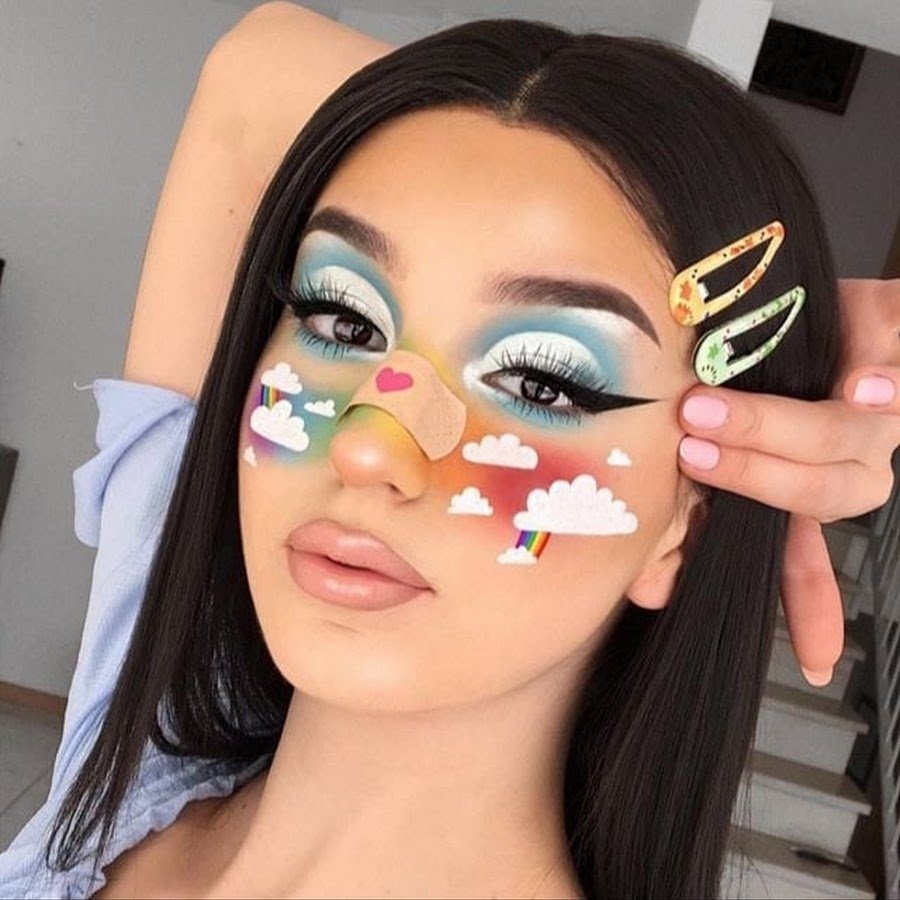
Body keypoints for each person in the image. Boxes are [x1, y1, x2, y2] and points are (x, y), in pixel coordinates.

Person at [0, 7, 896, 900]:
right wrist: (779, 299)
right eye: (342, 319)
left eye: (540, 382)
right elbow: (254, 73)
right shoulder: (133, 755)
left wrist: (781, 309)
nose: (368, 444)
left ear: (684, 530)